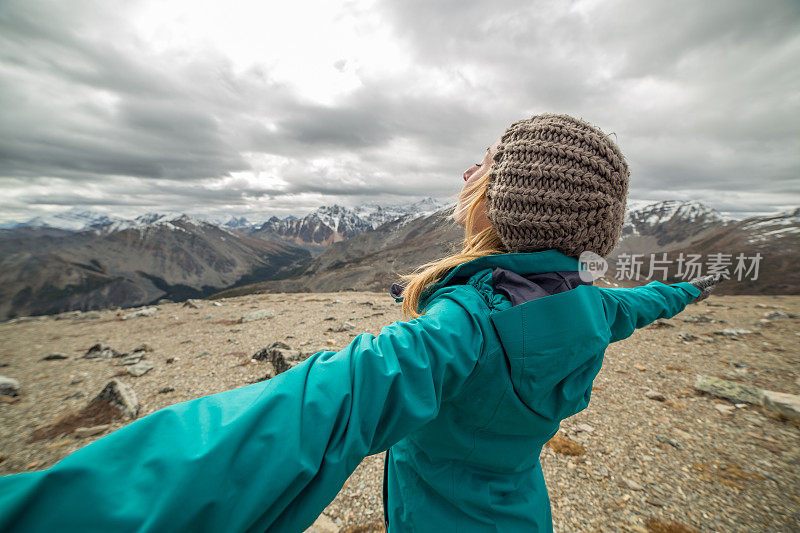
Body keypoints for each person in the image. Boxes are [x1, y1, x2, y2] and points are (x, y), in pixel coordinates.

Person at [0, 113, 720, 532]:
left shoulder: (461, 326)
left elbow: (310, 412)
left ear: (503, 204)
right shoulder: (595, 305)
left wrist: (52, 507)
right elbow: (645, 302)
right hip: (521, 510)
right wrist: (687, 291)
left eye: (488, 166)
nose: (469, 171)